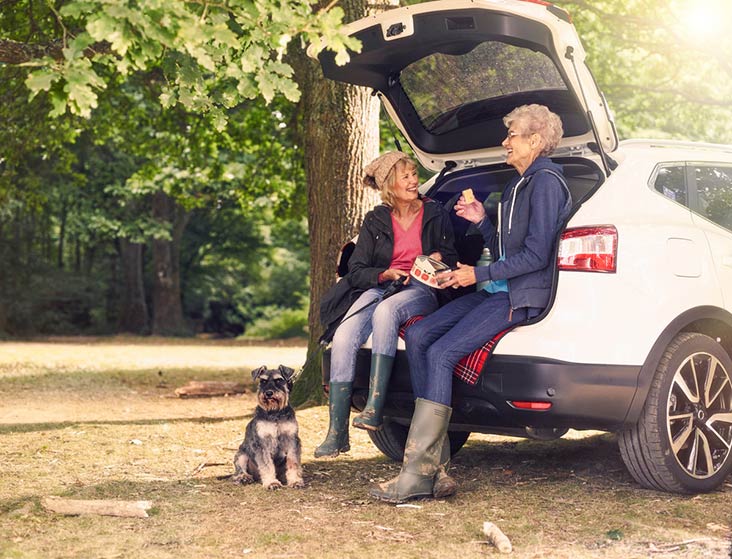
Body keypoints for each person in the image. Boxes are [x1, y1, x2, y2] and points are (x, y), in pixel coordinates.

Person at [369, 104, 572, 502]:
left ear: (534, 140)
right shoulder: (519, 184)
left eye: (511, 134)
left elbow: (536, 256)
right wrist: (482, 220)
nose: (505, 142)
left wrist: (475, 275)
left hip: (519, 296)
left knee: (443, 353)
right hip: (497, 288)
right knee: (423, 332)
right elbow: (503, 249)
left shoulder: (546, 182)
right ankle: (436, 469)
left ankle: (416, 474)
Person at [315, 151, 458, 458]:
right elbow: (357, 270)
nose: (413, 180)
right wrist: (384, 274)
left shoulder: (435, 213)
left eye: (414, 175)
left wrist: (438, 258)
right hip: (384, 284)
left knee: (387, 311)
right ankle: (336, 432)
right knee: (342, 337)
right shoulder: (376, 219)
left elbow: (450, 251)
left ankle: (374, 408)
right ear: (390, 185)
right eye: (405, 176)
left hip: (421, 287)